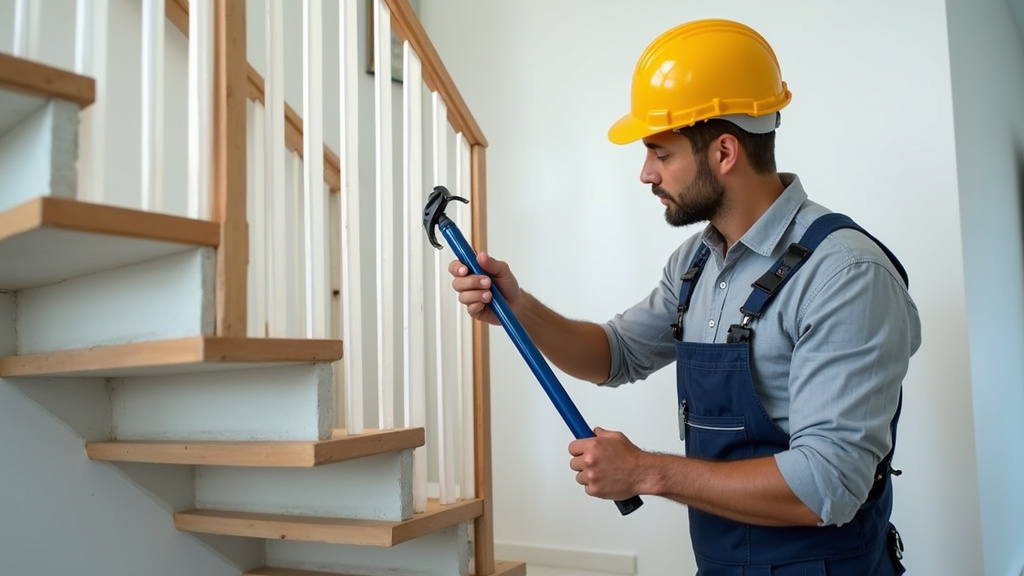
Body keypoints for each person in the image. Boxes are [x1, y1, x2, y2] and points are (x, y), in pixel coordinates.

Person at [449, 18, 921, 576]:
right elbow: (615, 353)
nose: (646, 173)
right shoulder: (697, 263)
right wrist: (519, 309)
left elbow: (826, 485)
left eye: (661, 153)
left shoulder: (844, 275)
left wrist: (645, 471)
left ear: (724, 152)